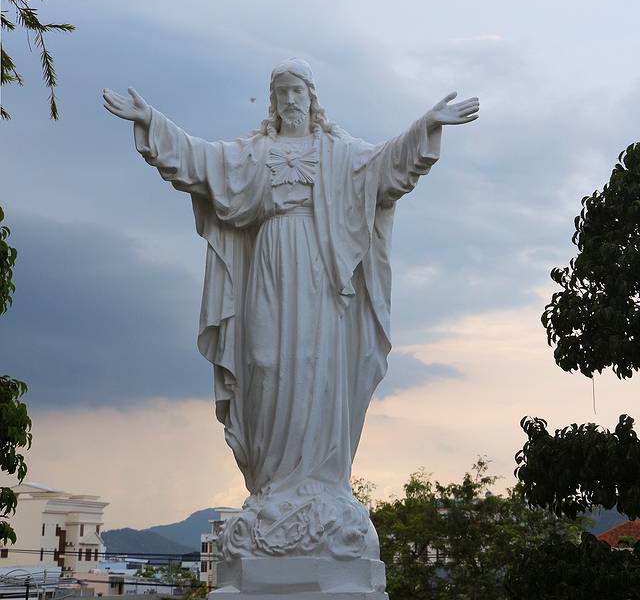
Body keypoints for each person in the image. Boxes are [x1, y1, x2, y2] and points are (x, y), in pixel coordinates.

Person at [103, 59, 479, 561]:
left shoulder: (338, 152)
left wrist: (426, 126)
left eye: (297, 90)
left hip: (320, 272)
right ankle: (275, 484)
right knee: (265, 364)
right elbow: (201, 162)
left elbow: (386, 166)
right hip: (269, 261)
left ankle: (319, 483)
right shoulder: (256, 152)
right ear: (273, 101)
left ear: (312, 96)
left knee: (314, 368)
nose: (290, 100)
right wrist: (150, 119)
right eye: (280, 92)